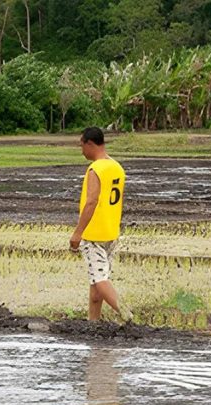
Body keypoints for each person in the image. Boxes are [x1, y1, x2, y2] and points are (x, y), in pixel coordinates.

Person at [71, 127, 132, 323]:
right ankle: (93, 323)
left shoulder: (95, 169)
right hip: (111, 232)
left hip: (94, 233)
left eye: (82, 146)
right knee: (96, 280)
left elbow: (91, 201)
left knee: (100, 280)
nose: (81, 151)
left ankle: (127, 316)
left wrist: (78, 233)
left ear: (90, 143)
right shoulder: (117, 167)